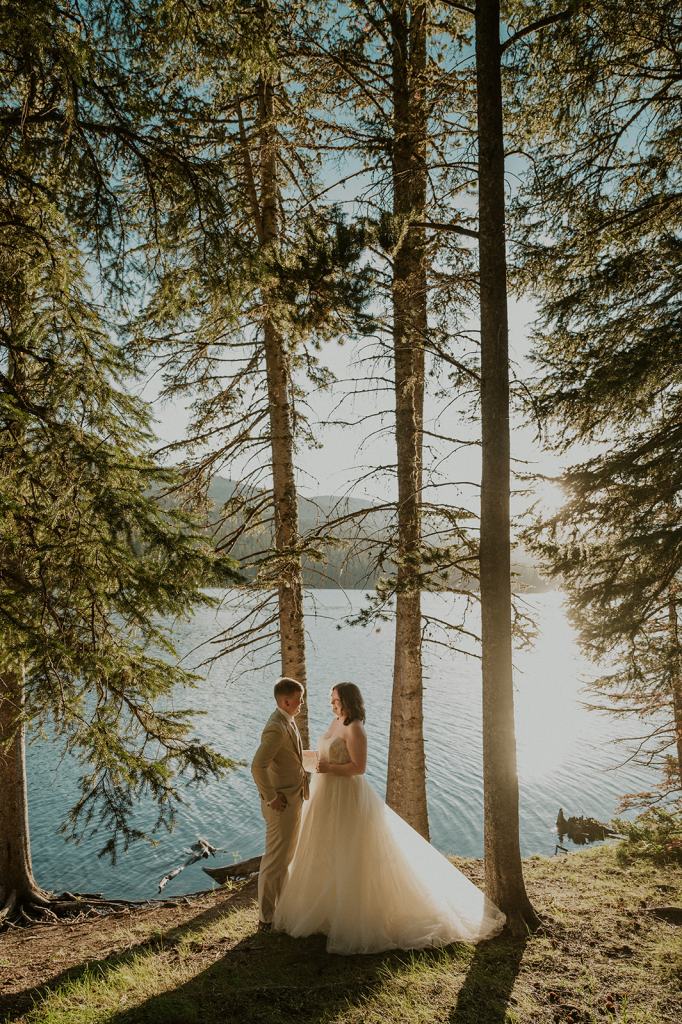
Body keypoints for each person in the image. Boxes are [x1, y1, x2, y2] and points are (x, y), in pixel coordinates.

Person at [272, 682, 506, 954]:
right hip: (326, 794)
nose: (332, 703)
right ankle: (326, 910)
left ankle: (353, 913)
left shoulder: (355, 728)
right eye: (331, 699)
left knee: (351, 851)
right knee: (326, 848)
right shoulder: (337, 721)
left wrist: (330, 768)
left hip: (346, 795)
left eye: (335, 699)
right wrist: (299, 758)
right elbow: (323, 753)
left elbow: (358, 767)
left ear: (348, 701)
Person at [250, 676, 309, 930]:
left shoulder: (288, 720)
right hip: (281, 805)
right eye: (298, 700)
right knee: (275, 861)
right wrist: (271, 797)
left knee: (285, 857)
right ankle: (266, 918)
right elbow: (257, 765)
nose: (302, 704)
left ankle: (281, 909)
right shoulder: (276, 727)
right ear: (285, 701)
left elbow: (291, 757)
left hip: (293, 800)